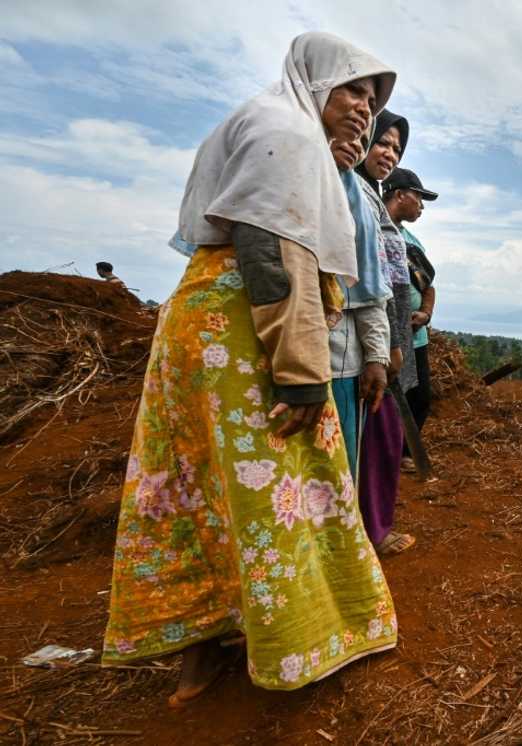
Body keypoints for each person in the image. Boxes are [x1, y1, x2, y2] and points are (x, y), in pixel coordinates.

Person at [102, 32, 399, 704]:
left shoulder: (262, 123)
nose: (365, 108)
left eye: (374, 98)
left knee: (201, 480)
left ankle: (202, 650)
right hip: (245, 334)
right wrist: (299, 371)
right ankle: (297, 641)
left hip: (204, 325)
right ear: (316, 79)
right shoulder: (286, 132)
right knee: (285, 479)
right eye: (354, 88)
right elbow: (271, 253)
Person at [353, 110, 416, 555]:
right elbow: (371, 285)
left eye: (396, 147)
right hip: (366, 347)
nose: (389, 153)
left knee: (382, 440)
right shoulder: (351, 193)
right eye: (383, 142)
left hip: (380, 342)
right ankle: (371, 532)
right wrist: (387, 347)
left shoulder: (367, 197)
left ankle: (370, 527)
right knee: (378, 442)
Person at [329, 128, 392, 479]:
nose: (389, 154)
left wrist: (378, 355)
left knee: (334, 466)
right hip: (273, 350)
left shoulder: (359, 197)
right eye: (382, 142)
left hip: (335, 355)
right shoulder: (287, 168)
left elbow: (371, 287)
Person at [381, 167, 437, 472]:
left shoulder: (413, 241)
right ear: (400, 195)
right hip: (386, 336)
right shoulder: (375, 230)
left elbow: (429, 287)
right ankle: (383, 454)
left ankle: (403, 451)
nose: (422, 205)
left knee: (421, 397)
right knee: (388, 397)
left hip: (416, 336)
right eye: (419, 197)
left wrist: (426, 313)